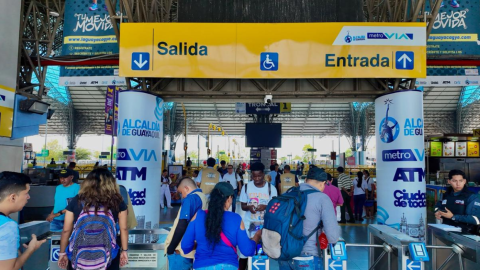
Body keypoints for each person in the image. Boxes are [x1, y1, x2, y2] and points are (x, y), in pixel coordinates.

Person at [57, 168, 129, 270]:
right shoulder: (117, 201)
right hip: (107, 255)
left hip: (79, 254)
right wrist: (124, 251)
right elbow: (124, 229)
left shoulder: (77, 200)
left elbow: (66, 230)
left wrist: (62, 252)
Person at [181, 182, 261, 270]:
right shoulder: (236, 219)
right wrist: (257, 236)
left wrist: (201, 243)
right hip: (228, 266)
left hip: (201, 265)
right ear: (229, 198)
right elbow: (247, 250)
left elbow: (185, 246)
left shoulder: (198, 216)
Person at [278, 167, 340, 270]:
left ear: (306, 180)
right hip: (308, 256)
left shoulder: (288, 194)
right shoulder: (322, 198)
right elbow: (333, 237)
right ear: (323, 183)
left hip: (284, 254)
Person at [0, 172, 46, 270]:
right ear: (13, 197)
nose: (28, 197)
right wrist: (31, 249)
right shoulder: (8, 226)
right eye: (26, 193)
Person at [240, 162, 277, 270]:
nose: (256, 178)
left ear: (263, 175)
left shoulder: (271, 188)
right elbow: (242, 205)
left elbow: (276, 207)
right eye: (254, 176)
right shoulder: (246, 187)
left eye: (259, 176)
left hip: (265, 226)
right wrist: (249, 207)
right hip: (249, 224)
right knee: (245, 253)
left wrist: (266, 206)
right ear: (251, 175)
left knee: (264, 253)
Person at [165, 177, 207, 270]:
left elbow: (182, 225)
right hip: (193, 248)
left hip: (180, 251)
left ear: (186, 188)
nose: (182, 196)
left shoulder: (190, 199)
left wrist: (171, 248)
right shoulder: (202, 197)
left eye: (181, 192)